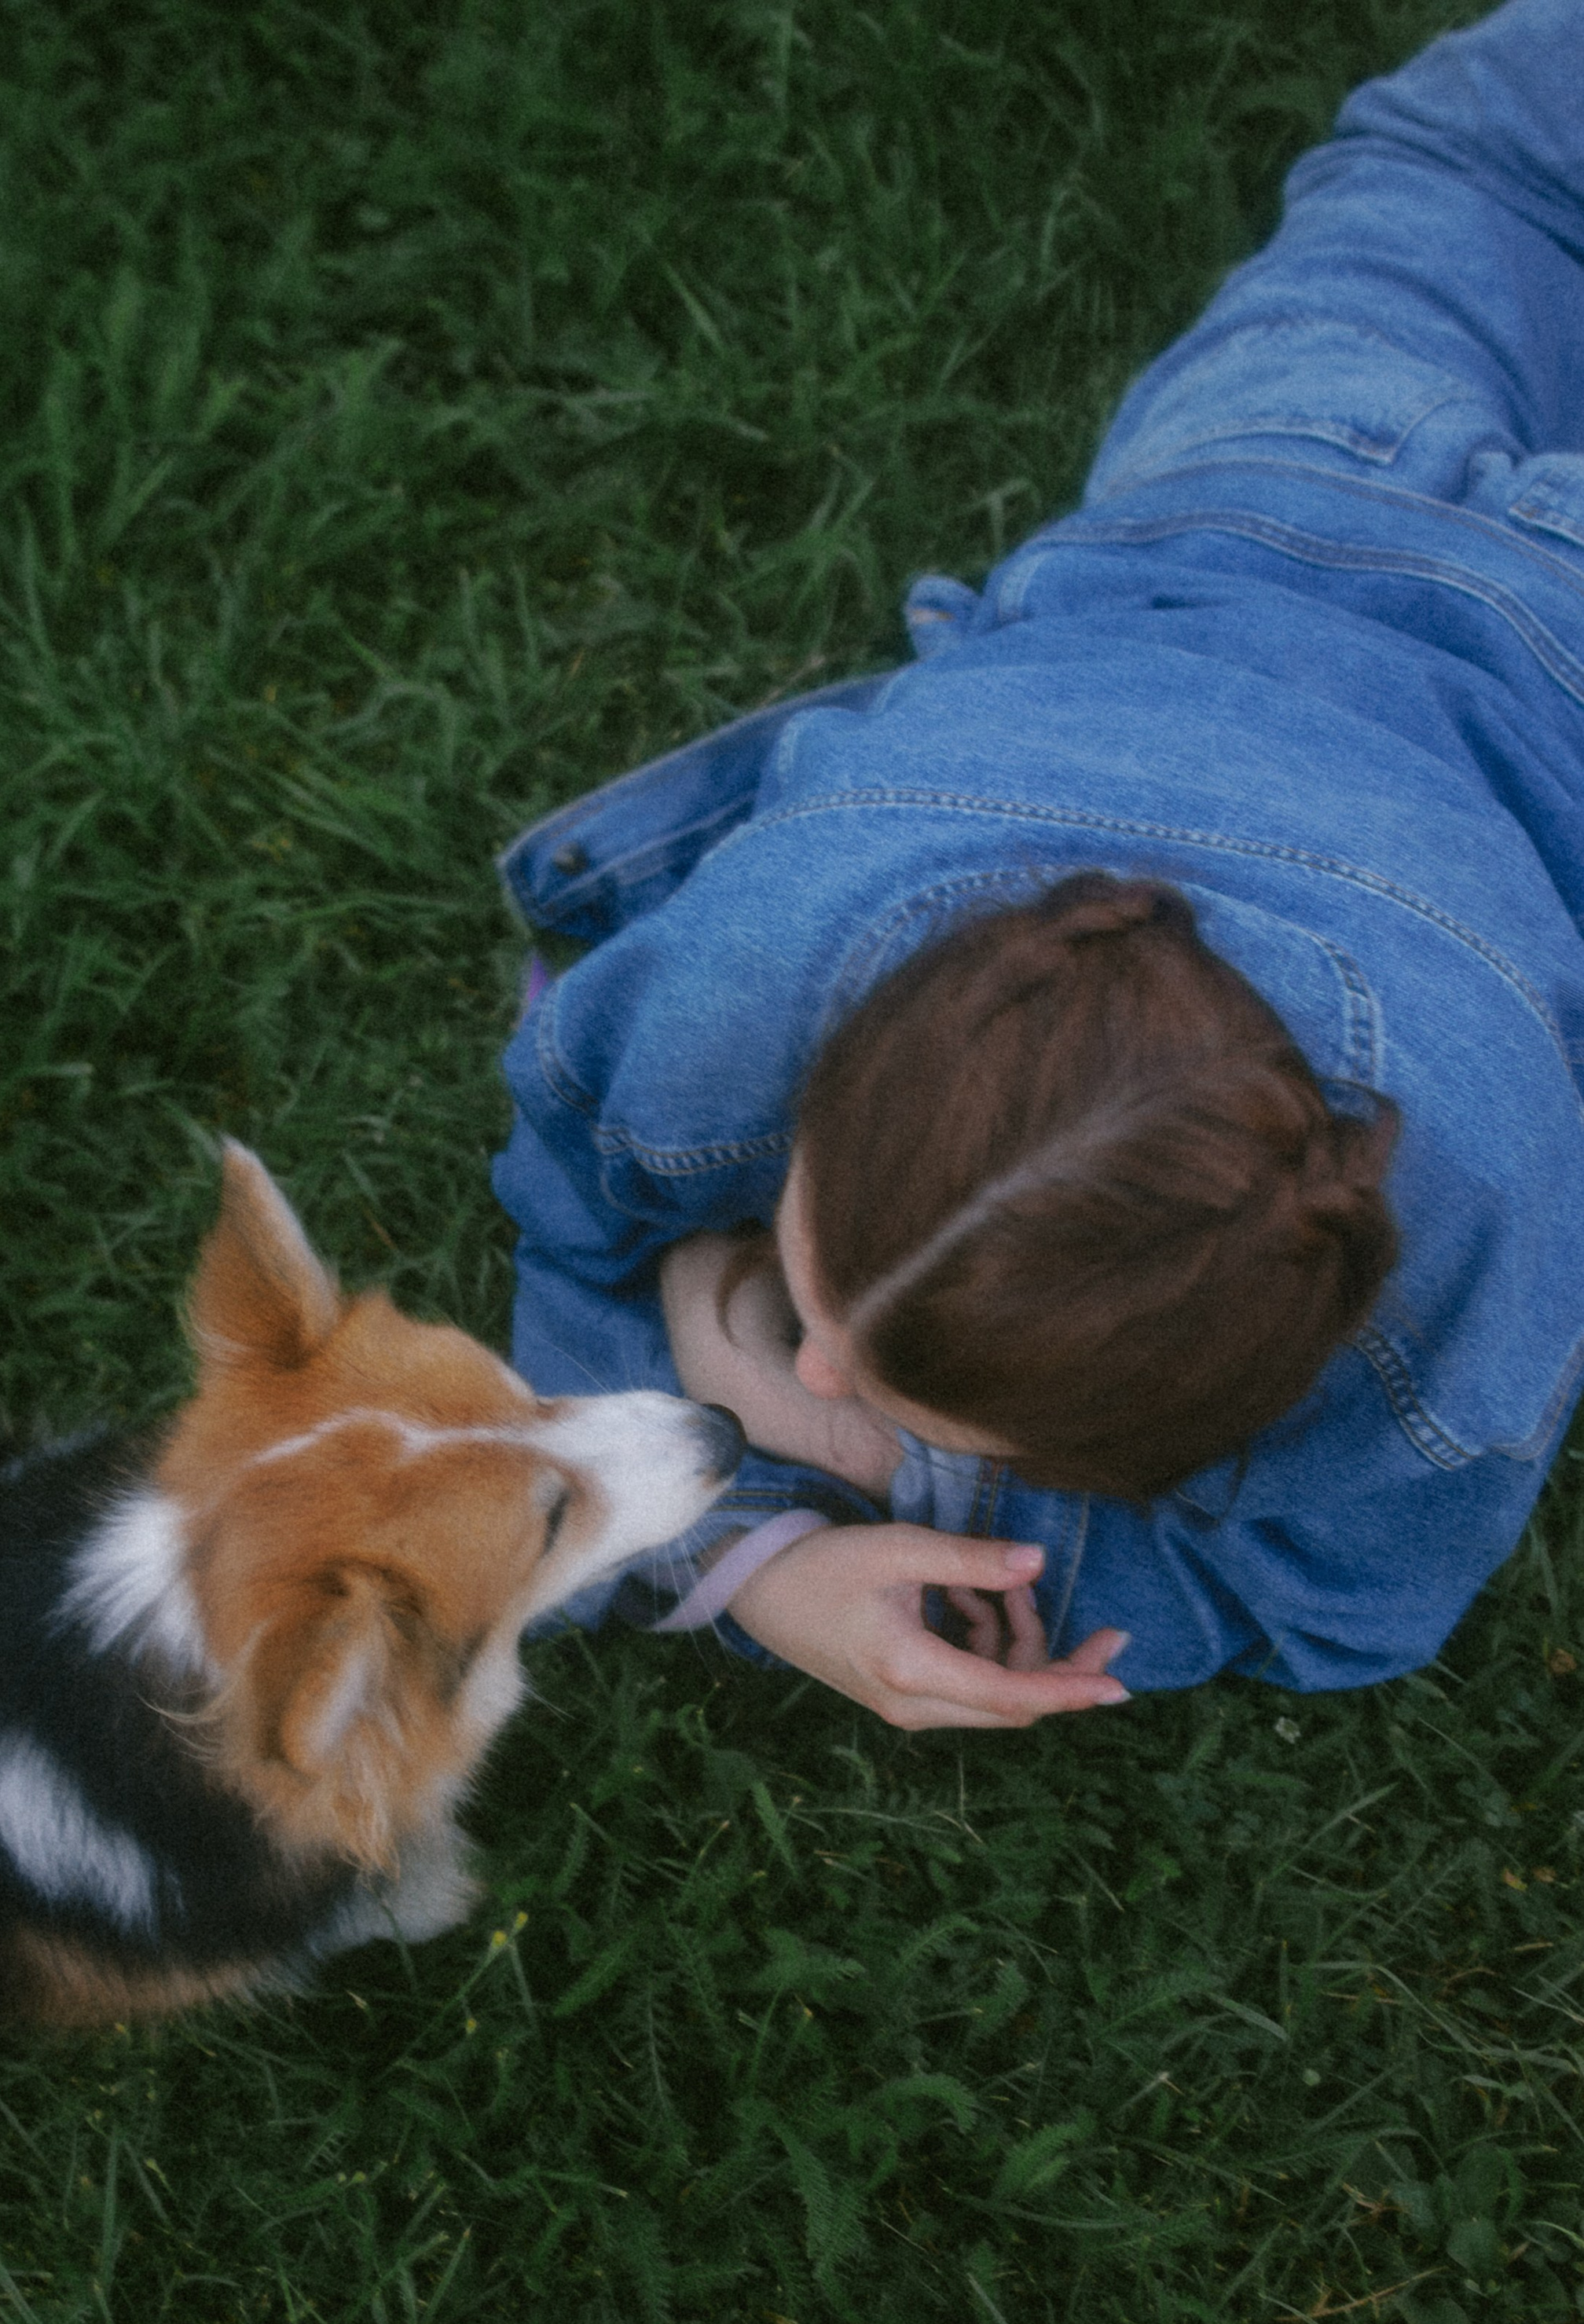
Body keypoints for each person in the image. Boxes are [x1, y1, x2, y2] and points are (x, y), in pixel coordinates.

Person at [491, 0, 1584, 1731]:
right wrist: (756, 1554)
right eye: (821, 1293)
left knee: (1469, 177)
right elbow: (564, 1193)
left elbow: (1340, 1595)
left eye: (837, 1338)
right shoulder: (773, 962)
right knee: (1469, 168)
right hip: (1295, 497)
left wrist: (844, 1500)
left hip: (1290, 478)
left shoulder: (1444, 1311)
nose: (807, 1370)